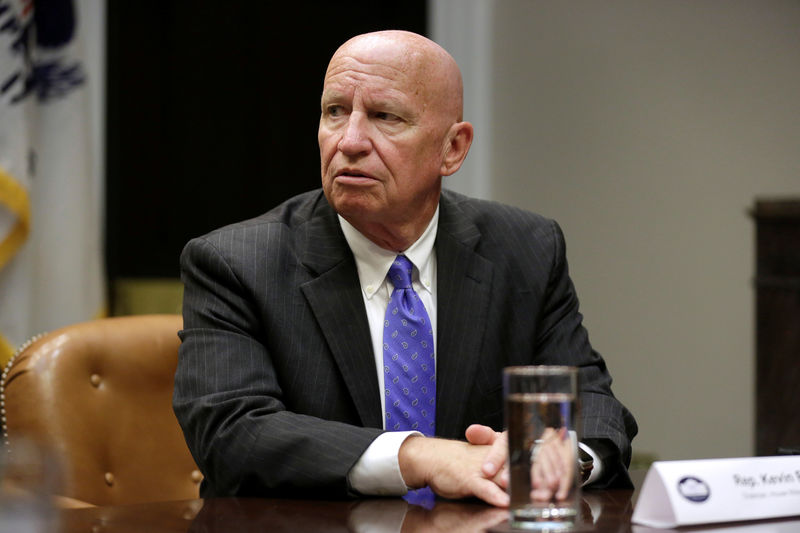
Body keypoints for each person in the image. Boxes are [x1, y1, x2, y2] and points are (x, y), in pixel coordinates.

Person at [173, 30, 637, 507]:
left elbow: (590, 401)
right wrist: (423, 458)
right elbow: (232, 432)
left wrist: (561, 458)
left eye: (384, 116)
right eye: (335, 112)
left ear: (452, 149)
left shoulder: (524, 249)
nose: (350, 141)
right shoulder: (236, 262)